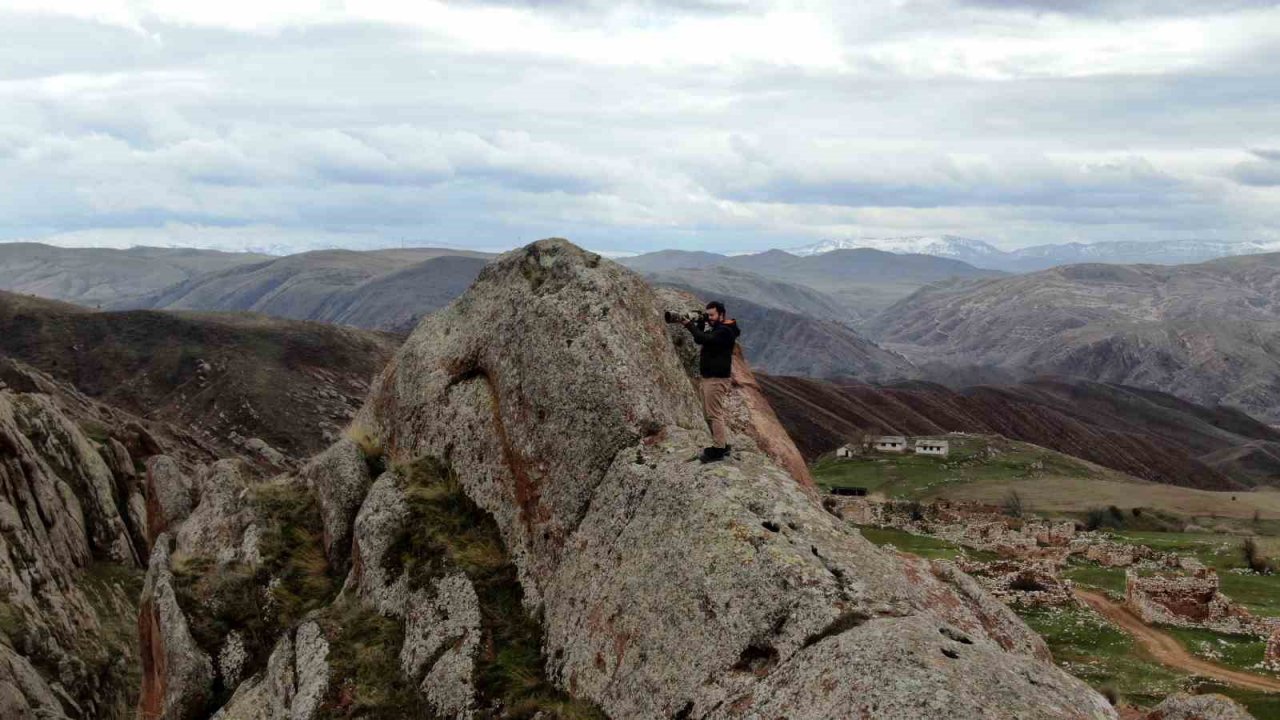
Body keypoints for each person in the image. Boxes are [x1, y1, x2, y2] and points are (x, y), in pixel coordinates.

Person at [682, 300, 740, 463]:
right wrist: (699, 324)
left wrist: (689, 325)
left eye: (712, 315)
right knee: (708, 414)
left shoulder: (725, 331)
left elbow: (705, 339)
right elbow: (700, 339)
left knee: (714, 414)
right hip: (709, 378)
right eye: (708, 315)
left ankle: (719, 449)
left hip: (717, 379)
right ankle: (721, 443)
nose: (710, 318)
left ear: (722, 315)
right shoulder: (718, 328)